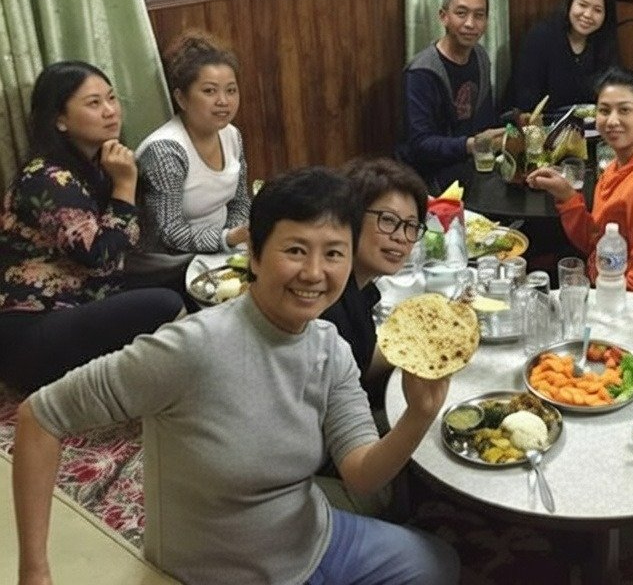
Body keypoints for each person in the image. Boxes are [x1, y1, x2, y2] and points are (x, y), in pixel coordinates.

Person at [12, 166, 458, 585]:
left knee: (438, 565)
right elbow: (41, 416)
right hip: (215, 571)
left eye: (334, 253)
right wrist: (35, 571)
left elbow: (361, 475)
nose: (314, 273)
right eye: (296, 250)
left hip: (311, 539)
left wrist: (418, 415)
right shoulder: (191, 347)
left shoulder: (330, 347)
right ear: (256, 256)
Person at [0, 62, 183, 393]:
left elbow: (126, 245)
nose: (111, 111)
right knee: (164, 303)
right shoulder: (47, 177)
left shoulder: (99, 166)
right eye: (94, 103)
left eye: (112, 98)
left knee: (189, 280)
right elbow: (99, 257)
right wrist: (125, 184)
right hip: (32, 331)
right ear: (60, 120)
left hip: (85, 301)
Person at [527, 68, 633, 304]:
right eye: (604, 111)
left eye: (625, 110)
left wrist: (597, 306)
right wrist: (567, 195)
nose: (612, 121)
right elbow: (599, 242)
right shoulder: (616, 167)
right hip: (614, 286)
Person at [132, 31, 250, 280]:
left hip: (225, 249)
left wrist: (234, 240)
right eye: (209, 91)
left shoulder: (231, 135)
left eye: (231, 90)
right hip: (173, 262)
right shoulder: (165, 151)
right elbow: (168, 232)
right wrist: (226, 239)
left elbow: (240, 201)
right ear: (181, 98)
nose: (223, 101)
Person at [320, 157, 429, 406]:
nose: (402, 237)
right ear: (350, 217)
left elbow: (360, 363)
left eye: (411, 226)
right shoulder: (326, 303)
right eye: (388, 220)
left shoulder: (360, 287)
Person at [399, 0, 504, 190]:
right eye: (461, 13)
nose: (470, 24)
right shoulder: (422, 71)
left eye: (479, 15)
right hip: (429, 177)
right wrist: (471, 145)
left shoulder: (481, 57)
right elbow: (420, 144)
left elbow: (485, 121)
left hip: (472, 166)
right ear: (443, 17)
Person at [505, 0, 619, 112]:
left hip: (583, 128)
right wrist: (535, 134)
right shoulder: (541, 37)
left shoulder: (604, 42)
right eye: (582, 5)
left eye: (597, 10)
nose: (588, 15)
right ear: (570, 3)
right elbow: (525, 100)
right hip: (532, 126)